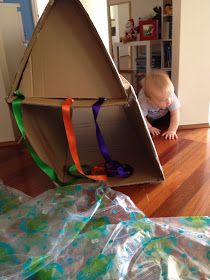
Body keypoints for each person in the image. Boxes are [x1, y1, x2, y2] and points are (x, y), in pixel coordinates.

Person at [138, 70, 180, 140]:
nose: (169, 101)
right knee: (139, 123)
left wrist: (172, 130)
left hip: (165, 114)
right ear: (150, 100)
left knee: (167, 120)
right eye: (163, 100)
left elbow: (175, 114)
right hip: (149, 116)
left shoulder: (170, 97)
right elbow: (141, 117)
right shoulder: (143, 101)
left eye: (170, 95)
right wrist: (149, 127)